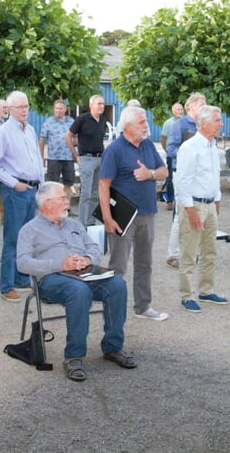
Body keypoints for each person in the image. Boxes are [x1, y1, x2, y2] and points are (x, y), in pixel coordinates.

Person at [17, 182, 136, 382]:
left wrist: (87, 259)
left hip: (84, 274)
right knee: (79, 291)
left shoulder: (74, 224)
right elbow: (22, 263)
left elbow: (94, 248)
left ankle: (113, 347)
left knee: (117, 284)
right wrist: (59, 264)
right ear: (47, 203)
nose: (67, 201)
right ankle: (73, 356)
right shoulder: (29, 230)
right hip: (51, 279)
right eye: (62, 198)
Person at [98, 106, 169, 321]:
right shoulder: (114, 150)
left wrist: (150, 174)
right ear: (127, 126)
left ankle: (143, 307)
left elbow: (164, 171)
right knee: (118, 265)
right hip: (122, 216)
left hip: (147, 213)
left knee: (144, 263)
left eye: (145, 121)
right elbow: (103, 185)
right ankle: (112, 310)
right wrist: (107, 218)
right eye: (141, 122)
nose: (146, 125)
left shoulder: (148, 145)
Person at [0, 90, 42, 302]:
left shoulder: (30, 130)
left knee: (27, 238)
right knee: (12, 239)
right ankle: (6, 285)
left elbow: (37, 158)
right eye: (20, 107)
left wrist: (42, 186)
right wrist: (14, 184)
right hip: (15, 192)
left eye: (26, 106)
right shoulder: (2, 133)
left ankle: (21, 280)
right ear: (9, 110)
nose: (24, 110)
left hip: (32, 190)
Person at [175, 105, 229, 312]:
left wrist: (217, 201)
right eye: (218, 120)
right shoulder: (190, 147)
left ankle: (206, 291)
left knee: (209, 251)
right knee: (189, 253)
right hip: (194, 205)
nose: (221, 124)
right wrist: (191, 211)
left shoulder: (212, 146)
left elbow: (213, 176)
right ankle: (186, 295)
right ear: (204, 123)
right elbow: (182, 182)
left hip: (209, 205)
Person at [165, 92, 207, 270]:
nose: (204, 108)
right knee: (180, 215)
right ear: (190, 106)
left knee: (197, 213)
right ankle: (173, 254)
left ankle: (191, 252)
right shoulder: (180, 125)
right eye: (201, 105)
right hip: (182, 174)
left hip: (199, 176)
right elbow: (171, 149)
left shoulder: (202, 125)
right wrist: (189, 156)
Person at [67, 94, 108, 226]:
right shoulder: (82, 119)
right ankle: (82, 224)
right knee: (86, 194)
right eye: (98, 104)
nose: (101, 106)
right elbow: (68, 137)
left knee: (96, 193)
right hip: (86, 159)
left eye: (103, 104)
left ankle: (90, 223)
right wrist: (76, 156)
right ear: (91, 105)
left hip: (99, 159)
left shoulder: (103, 120)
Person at [40, 99, 76, 200]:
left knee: (68, 184)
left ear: (65, 109)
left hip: (68, 157)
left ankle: (66, 207)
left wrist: (73, 144)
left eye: (60, 108)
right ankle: (52, 206)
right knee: (52, 184)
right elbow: (42, 139)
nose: (58, 110)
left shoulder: (71, 121)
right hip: (53, 158)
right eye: (56, 108)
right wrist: (41, 156)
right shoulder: (48, 122)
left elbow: (77, 138)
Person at [159, 102, 184, 211]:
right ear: (173, 111)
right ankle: (169, 200)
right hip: (171, 156)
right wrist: (167, 151)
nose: (180, 111)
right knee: (170, 178)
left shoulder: (185, 123)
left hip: (183, 156)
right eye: (178, 109)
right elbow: (163, 139)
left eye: (181, 109)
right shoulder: (168, 123)